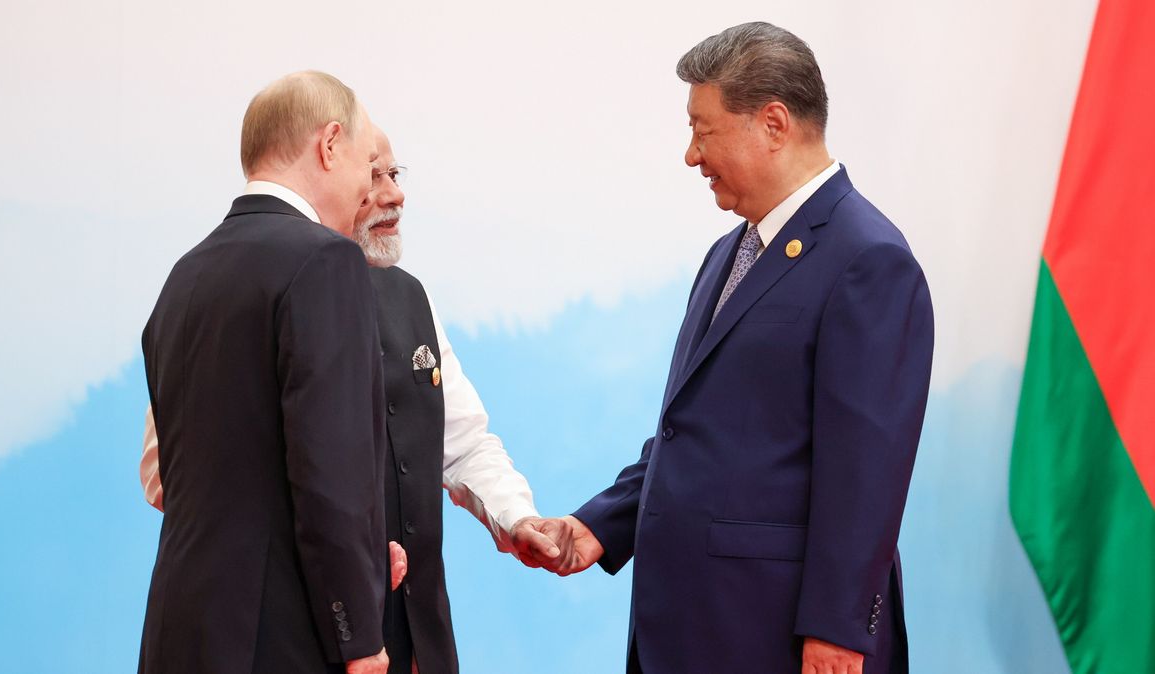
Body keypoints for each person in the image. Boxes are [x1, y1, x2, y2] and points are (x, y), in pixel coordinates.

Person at [542, 22, 934, 674]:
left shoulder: (868, 260)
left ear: (772, 123)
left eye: (702, 129)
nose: (690, 156)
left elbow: (865, 472)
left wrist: (835, 632)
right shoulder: (727, 255)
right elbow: (695, 434)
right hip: (692, 629)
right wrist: (598, 527)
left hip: (777, 636)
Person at [140, 126, 568, 674]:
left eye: (396, 173)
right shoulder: (239, 291)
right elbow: (168, 474)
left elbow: (461, 442)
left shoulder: (410, 295)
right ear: (329, 174)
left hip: (412, 641)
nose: (394, 193)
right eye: (372, 176)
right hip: (293, 639)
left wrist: (516, 517)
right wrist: (345, 554)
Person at [139, 71, 393, 674]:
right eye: (367, 162)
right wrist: (358, 637)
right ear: (330, 145)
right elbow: (331, 471)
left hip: (178, 630)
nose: (369, 189)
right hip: (282, 638)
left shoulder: (185, 275)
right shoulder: (326, 261)